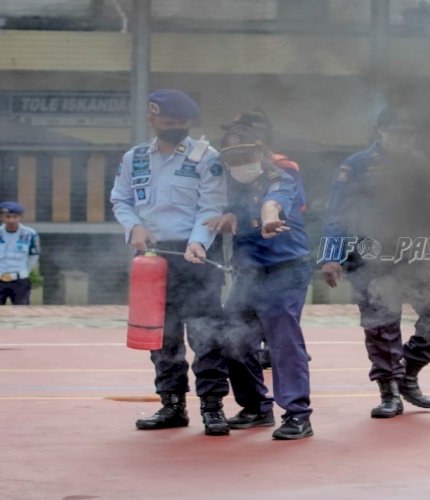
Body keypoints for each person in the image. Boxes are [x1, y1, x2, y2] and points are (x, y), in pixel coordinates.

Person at [320, 108, 430, 419]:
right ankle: (390, 392)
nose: (402, 138)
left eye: (408, 132)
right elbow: (338, 213)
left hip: (417, 254)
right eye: (395, 131)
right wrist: (332, 256)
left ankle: (407, 374)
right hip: (371, 254)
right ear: (379, 131)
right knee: (381, 325)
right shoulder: (357, 165)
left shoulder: (424, 166)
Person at [110, 89, 232, 435]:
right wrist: (133, 226)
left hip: (196, 255)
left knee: (206, 333)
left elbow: (211, 207)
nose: (175, 127)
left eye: (181, 123)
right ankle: (172, 404)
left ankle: (213, 406)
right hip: (150, 256)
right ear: (152, 120)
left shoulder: (206, 158)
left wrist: (198, 244)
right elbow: (120, 198)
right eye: (168, 122)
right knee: (162, 335)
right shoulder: (134, 158)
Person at [206, 122, 314, 440]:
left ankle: (297, 415)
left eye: (246, 156)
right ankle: (256, 407)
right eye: (232, 159)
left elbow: (272, 203)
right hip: (248, 275)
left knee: (282, 342)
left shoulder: (281, 177)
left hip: (285, 271)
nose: (239, 165)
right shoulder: (230, 185)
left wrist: (269, 218)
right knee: (232, 336)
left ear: (263, 153)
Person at [220, 109, 309, 370]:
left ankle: (294, 405)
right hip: (248, 257)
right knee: (237, 331)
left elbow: (296, 204)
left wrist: (266, 211)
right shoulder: (230, 167)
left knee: (281, 333)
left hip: (281, 253)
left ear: (259, 139)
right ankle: (255, 406)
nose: (233, 139)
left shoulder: (283, 168)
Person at [0, 201, 40, 305]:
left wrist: (24, 272)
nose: (11, 220)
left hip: (20, 281)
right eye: (7, 216)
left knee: (22, 314)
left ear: (21, 217)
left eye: (15, 217)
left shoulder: (30, 234)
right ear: (2, 217)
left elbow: (34, 256)